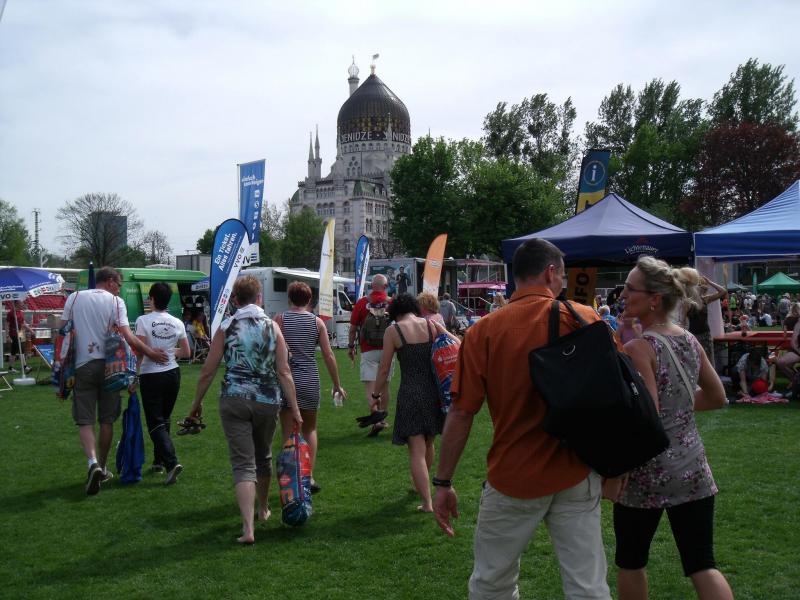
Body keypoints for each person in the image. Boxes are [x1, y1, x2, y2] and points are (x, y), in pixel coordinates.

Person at [433, 238, 612, 599]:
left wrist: (443, 481)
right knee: (588, 586)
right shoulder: (584, 318)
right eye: (562, 275)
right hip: (576, 469)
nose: (563, 282)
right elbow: (613, 395)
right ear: (550, 273)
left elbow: (462, 412)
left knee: (492, 583)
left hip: (513, 474)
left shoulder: (484, 331)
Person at [613, 256, 733, 600]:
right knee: (702, 563)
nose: (623, 295)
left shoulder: (639, 348)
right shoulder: (689, 339)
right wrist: (676, 406)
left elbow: (645, 418)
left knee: (631, 561)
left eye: (630, 289)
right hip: (693, 468)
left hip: (647, 472)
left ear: (654, 299)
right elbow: (717, 397)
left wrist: (614, 470)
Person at [186, 275, 301, 544]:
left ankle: (248, 529)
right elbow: (284, 371)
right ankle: (263, 509)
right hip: (267, 400)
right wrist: (295, 409)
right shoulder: (273, 327)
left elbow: (208, 370)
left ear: (235, 300)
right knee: (263, 456)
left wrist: (196, 404)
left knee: (242, 463)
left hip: (234, 399)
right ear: (259, 298)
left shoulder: (226, 326)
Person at [59, 267, 169, 496]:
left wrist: (59, 368)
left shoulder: (74, 297)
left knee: (85, 421)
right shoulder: (116, 302)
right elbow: (128, 336)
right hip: (112, 366)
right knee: (107, 420)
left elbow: (62, 333)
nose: (119, 289)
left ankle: (92, 463)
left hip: (83, 364)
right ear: (109, 282)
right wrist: (150, 352)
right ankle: (103, 467)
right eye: (118, 284)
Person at [372, 294, 458, 512]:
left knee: (416, 450)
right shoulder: (430, 324)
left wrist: (375, 394)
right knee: (429, 443)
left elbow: (384, 368)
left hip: (410, 392)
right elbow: (457, 343)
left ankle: (427, 503)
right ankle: (422, 487)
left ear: (394, 311)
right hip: (433, 392)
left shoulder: (393, 330)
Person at [275, 281, 347, 494]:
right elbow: (328, 355)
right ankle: (309, 475)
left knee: (288, 431)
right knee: (310, 428)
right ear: (309, 300)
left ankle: (291, 478)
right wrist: (337, 384)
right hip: (309, 379)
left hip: (287, 378)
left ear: (289, 298)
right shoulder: (317, 322)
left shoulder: (280, 319)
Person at [134, 282, 192, 483]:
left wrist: (135, 375)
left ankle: (171, 462)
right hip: (172, 374)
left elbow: (139, 351)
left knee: (155, 422)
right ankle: (158, 461)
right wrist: (169, 351)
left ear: (151, 299)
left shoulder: (143, 320)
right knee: (164, 419)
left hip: (151, 375)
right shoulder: (177, 322)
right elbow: (186, 352)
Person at [347, 274, 394, 437]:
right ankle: (382, 419)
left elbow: (353, 328)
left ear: (372, 286)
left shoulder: (362, 303)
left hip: (368, 350)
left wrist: (351, 347)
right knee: (385, 386)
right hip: (388, 350)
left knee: (371, 388)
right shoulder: (391, 303)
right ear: (385, 286)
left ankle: (376, 418)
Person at [683, 276, 727, 362]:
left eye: (703, 289)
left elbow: (723, 291)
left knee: (709, 361)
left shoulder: (705, 299)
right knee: (696, 361)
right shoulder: (688, 302)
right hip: (694, 336)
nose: (703, 290)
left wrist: (710, 282)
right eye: (700, 287)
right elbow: (683, 320)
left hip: (705, 335)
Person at [5, 300, 34, 373]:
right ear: (17, 304)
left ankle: (11, 368)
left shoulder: (20, 312)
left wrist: (31, 330)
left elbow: (23, 323)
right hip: (13, 332)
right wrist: (7, 335)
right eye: (21, 303)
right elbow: (7, 324)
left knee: (16, 350)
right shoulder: (11, 313)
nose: (22, 304)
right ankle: (24, 367)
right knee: (19, 348)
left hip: (20, 332)